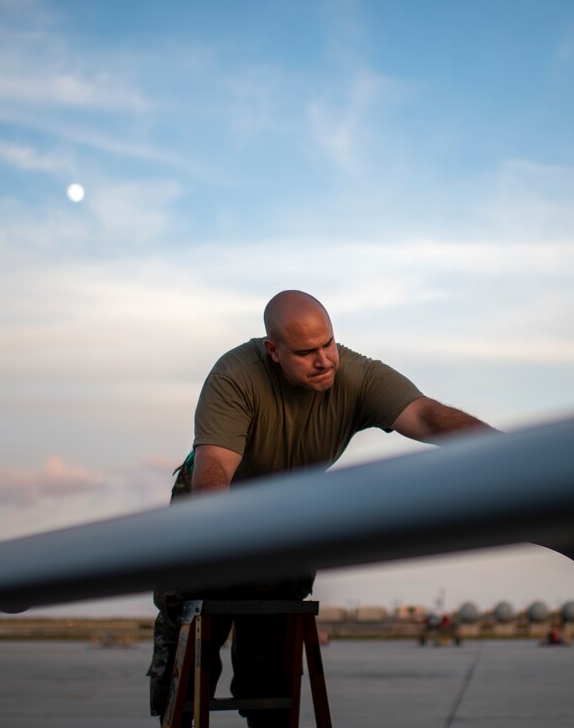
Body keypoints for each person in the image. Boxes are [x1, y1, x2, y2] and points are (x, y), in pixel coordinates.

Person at [149, 290, 495, 726]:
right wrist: (223, 545)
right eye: (306, 352)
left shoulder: (357, 376)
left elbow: (427, 416)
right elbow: (214, 470)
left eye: (328, 344)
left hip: (285, 508)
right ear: (273, 351)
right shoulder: (235, 375)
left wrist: (507, 452)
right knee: (191, 657)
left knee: (270, 663)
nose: (324, 360)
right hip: (212, 505)